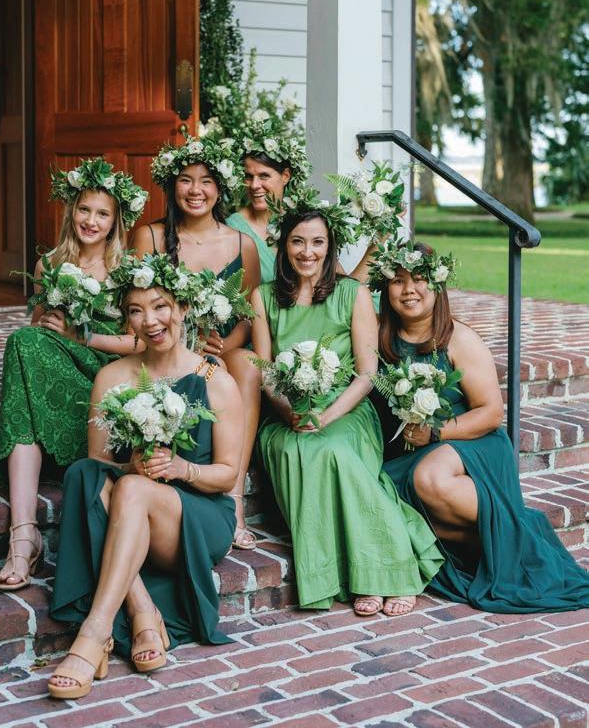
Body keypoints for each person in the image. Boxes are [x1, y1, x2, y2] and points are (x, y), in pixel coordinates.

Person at [48, 255, 243, 699]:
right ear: (126, 320)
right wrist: (132, 467)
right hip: (133, 507)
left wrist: (182, 468)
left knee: (132, 490)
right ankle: (142, 613)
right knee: (85, 473)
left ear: (183, 308)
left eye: (160, 306)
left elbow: (228, 475)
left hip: (197, 517)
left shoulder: (215, 380)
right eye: (136, 311)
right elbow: (101, 466)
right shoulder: (112, 377)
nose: (150, 321)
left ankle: (93, 634)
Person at [372, 240, 589, 612]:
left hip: (470, 442)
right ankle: (504, 542)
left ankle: (523, 532)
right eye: (398, 280)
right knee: (389, 502)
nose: (409, 289)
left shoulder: (459, 338)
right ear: (385, 287)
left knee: (429, 478)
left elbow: (490, 413)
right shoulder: (377, 337)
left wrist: (435, 432)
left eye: (419, 278)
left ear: (437, 284)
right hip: (407, 450)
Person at [250, 202, 444, 616]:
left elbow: (367, 374)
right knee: (297, 450)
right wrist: (287, 411)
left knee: (333, 449)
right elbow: (265, 373)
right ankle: (346, 575)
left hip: (347, 410)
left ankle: (388, 571)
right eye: (298, 242)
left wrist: (328, 416)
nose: (308, 252)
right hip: (288, 413)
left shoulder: (351, 294)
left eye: (317, 242)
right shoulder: (263, 297)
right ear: (283, 246)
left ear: (330, 246)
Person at [0, 159, 148, 592]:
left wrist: (85, 337)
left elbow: (143, 343)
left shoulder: (128, 271)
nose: (91, 221)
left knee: (23, 350)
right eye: (84, 209)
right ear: (71, 211)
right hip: (56, 364)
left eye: (102, 214)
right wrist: (54, 325)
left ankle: (24, 541)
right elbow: (38, 329)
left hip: (104, 375)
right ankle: (23, 531)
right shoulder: (49, 264)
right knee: (24, 345)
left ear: (116, 221)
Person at [132, 136, 262, 550]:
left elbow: (248, 315)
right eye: (185, 180)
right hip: (165, 348)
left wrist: (222, 348)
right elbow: (136, 306)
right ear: (172, 186)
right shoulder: (150, 238)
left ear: (219, 188)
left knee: (246, 366)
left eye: (206, 181)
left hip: (220, 350)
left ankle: (234, 498)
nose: (195, 190)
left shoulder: (242, 244)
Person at [227, 122, 310, 285]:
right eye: (248, 176)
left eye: (264, 176)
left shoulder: (304, 219)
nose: (254, 185)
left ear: (285, 176)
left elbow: (344, 286)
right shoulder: (233, 228)